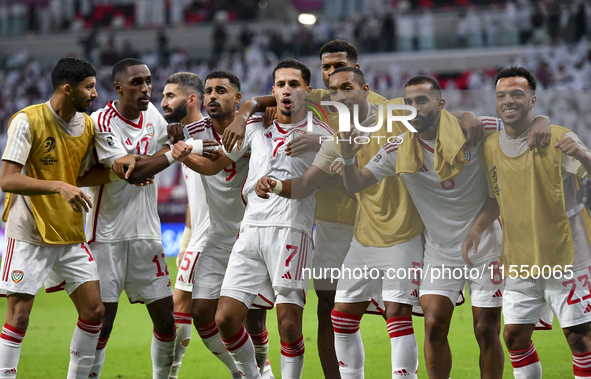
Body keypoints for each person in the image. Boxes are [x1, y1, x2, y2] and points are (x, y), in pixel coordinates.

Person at [334, 75, 548, 379]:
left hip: (487, 243)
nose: (414, 109)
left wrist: (541, 119)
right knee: (433, 324)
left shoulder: (474, 130)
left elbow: (520, 124)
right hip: (440, 250)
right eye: (407, 103)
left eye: (422, 101)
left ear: (441, 104)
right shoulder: (398, 148)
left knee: (486, 329)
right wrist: (346, 157)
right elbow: (356, 183)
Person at [222, 40, 391, 378]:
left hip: (373, 224)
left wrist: (324, 144)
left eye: (339, 66)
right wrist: (245, 113)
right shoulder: (315, 102)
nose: (332, 74)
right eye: (326, 68)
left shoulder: (379, 108)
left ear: (357, 71)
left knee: (395, 309)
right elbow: (262, 100)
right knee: (330, 311)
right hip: (328, 223)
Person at [207, 59, 333, 379]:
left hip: (292, 229)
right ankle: (254, 375)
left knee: (289, 325)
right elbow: (226, 154)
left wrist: (247, 107)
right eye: (280, 84)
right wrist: (243, 114)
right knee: (225, 318)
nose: (287, 89)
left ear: (308, 90)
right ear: (272, 91)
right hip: (250, 230)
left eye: (294, 84)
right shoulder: (254, 127)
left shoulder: (320, 132)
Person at [464, 66, 591, 379]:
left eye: (517, 94)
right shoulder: (491, 147)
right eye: (502, 95)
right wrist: (477, 229)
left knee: (579, 338)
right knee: (514, 338)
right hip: (520, 259)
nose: (509, 100)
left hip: (567, 255)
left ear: (532, 100)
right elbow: (496, 197)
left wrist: (583, 155)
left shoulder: (560, 137)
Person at [83, 58, 192, 379]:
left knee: (166, 321)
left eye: (148, 81)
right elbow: (128, 171)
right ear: (118, 87)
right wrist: (171, 153)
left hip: (146, 235)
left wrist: (158, 152)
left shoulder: (153, 116)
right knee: (103, 321)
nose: (146, 89)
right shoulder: (100, 120)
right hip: (107, 236)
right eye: (136, 83)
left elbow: (141, 163)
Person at [0, 57, 104, 378]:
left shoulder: (86, 126)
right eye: (89, 87)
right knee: (19, 315)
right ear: (68, 89)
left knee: (94, 310)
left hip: (70, 231)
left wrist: (126, 173)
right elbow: (7, 178)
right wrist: (59, 186)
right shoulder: (28, 120)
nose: (95, 94)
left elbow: (78, 175)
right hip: (30, 230)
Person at [170, 70, 275, 379]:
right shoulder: (195, 131)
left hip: (251, 233)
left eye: (221, 90)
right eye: (208, 91)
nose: (212, 96)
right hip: (216, 236)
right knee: (202, 313)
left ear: (237, 98)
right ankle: (242, 372)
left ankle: (263, 368)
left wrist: (249, 110)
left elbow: (295, 101)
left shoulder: (257, 124)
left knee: (254, 320)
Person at [160, 71, 210, 378]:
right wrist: (187, 238)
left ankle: (169, 374)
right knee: (214, 315)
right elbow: (196, 197)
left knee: (180, 306)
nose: (163, 102)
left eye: (170, 96)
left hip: (219, 235)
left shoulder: (211, 133)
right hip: (200, 234)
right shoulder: (184, 136)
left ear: (191, 99)